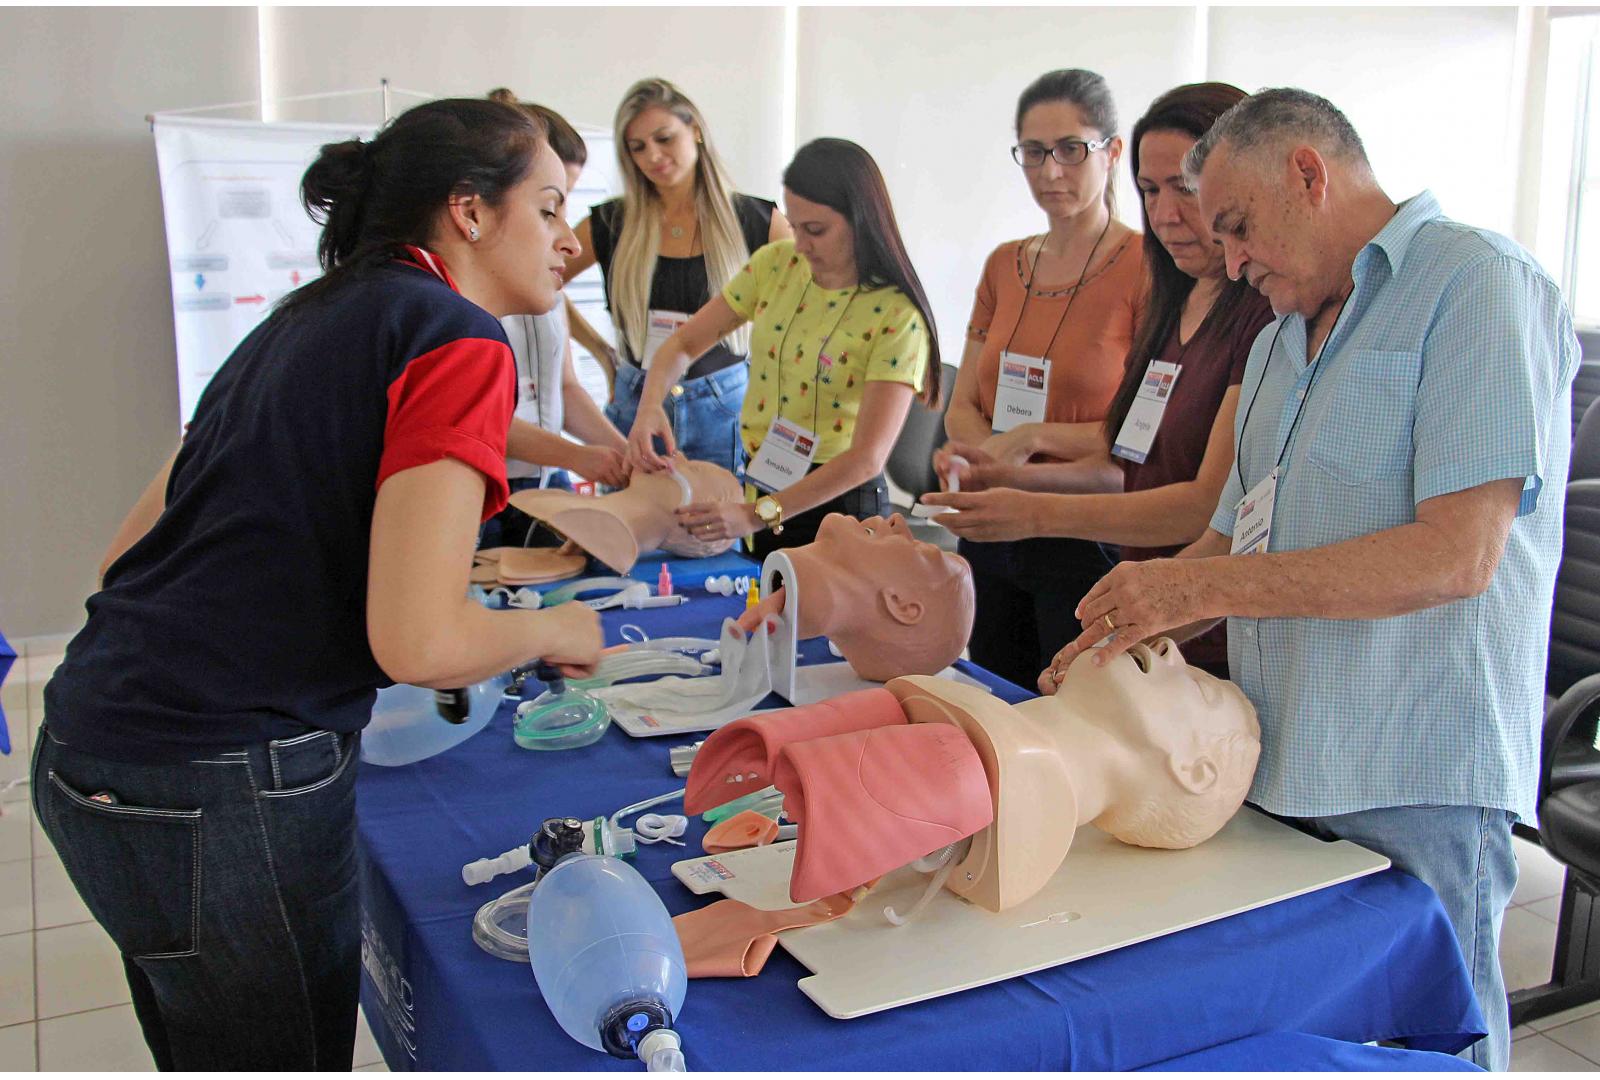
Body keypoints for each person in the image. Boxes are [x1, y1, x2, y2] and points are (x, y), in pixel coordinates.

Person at [32, 99, 604, 1070]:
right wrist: (551, 631)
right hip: (221, 778)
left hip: (93, 749)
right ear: (468, 210)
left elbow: (122, 556)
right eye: (548, 209)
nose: (567, 241)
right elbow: (418, 644)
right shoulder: (458, 337)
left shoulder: (306, 316)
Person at [1048, 88, 1579, 1071]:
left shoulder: (1476, 284)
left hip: (1411, 765)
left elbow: (1456, 553)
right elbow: (1229, 542)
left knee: (1434, 1043)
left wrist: (1197, 592)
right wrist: (1130, 614)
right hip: (1275, 760)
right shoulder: (1281, 341)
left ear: (1307, 172)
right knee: (1315, 1043)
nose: (1232, 262)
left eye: (1239, 228)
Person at [924, 83, 1273, 678]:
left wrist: (1034, 504)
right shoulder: (1177, 297)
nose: (1166, 214)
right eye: (1151, 191)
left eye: (1185, 189)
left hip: (1191, 634)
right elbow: (1134, 443)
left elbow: (1202, 506)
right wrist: (1006, 470)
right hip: (1137, 604)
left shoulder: (1256, 312)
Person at [933, 69, 1147, 691]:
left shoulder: (1145, 268)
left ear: (1112, 151)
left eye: (1070, 150)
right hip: (992, 518)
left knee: (1074, 714)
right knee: (994, 703)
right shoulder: (1005, 264)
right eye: (1033, 152)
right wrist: (985, 455)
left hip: (1081, 528)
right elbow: (964, 404)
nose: (1050, 171)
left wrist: (1026, 440)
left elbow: (1141, 434)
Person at [626, 138, 940, 560]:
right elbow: (682, 342)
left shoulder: (897, 317)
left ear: (862, 221)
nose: (802, 244)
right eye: (794, 226)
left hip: (837, 503)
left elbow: (866, 459)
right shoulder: (777, 264)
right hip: (765, 481)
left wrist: (757, 514)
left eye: (816, 230)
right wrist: (649, 406)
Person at [565, 77, 791, 475]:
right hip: (636, 401)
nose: (653, 155)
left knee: (716, 533)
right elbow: (536, 284)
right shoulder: (610, 223)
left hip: (725, 404)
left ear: (696, 131)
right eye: (638, 148)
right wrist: (600, 351)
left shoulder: (756, 221)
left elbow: (807, 308)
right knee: (628, 533)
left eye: (664, 138)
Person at [480, 90, 629, 551]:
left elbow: (564, 386)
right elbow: (479, 421)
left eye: (565, 204)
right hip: (483, 489)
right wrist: (579, 456)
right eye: (549, 208)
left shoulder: (548, 277)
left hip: (544, 483)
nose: (566, 230)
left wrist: (627, 456)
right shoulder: (460, 297)